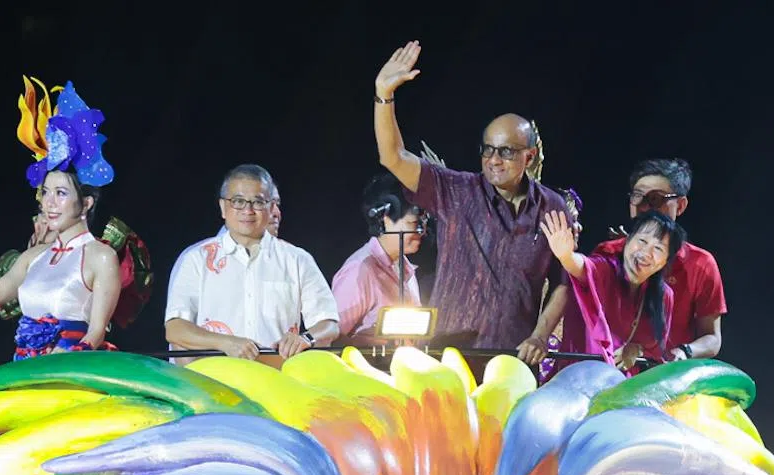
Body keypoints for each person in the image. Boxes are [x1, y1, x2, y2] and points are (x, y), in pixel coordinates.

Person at [372, 41, 575, 359]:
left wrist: (539, 336)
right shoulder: (456, 191)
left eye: (506, 151)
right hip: (448, 355)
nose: (494, 160)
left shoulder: (552, 207)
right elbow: (393, 157)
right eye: (487, 149)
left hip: (514, 361)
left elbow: (563, 281)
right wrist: (384, 95)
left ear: (529, 156)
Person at [0, 79, 122, 360]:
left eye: (61, 193)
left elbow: (96, 332)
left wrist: (61, 359)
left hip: (71, 369)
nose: (49, 202)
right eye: (46, 193)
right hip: (26, 368)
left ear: (86, 204)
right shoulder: (35, 256)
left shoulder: (100, 256)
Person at [164, 164, 339, 361]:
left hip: (275, 379)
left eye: (258, 202)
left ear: (272, 206)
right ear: (223, 207)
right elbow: (175, 329)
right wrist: (225, 342)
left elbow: (329, 324)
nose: (248, 210)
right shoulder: (196, 259)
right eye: (238, 201)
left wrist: (306, 338)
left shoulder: (297, 259)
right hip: (211, 382)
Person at [590, 159, 726, 360]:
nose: (645, 207)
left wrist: (685, 352)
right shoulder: (608, 252)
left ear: (680, 205)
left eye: (656, 199)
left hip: (665, 378)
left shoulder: (700, 263)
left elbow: (712, 337)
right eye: (638, 197)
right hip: (609, 372)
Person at [540, 210, 686, 373]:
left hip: (621, 388)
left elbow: (654, 352)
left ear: (665, 261)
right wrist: (566, 256)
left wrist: (635, 349)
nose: (646, 253)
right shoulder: (605, 269)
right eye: (642, 241)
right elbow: (582, 267)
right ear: (627, 241)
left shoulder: (664, 296)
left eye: (658, 248)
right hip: (575, 379)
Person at [330, 174, 426, 342]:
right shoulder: (359, 270)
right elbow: (331, 337)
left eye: (423, 225)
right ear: (385, 219)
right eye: (414, 224)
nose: (422, 232)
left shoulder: (406, 269)